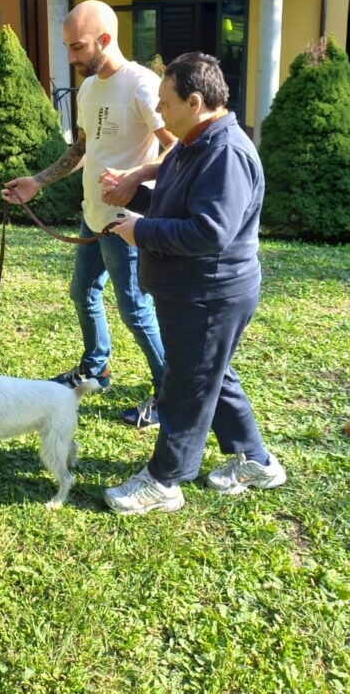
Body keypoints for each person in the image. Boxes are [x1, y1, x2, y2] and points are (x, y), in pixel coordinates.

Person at [101, 52, 286, 514]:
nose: (159, 112)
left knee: (186, 386)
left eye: (166, 103)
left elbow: (209, 232)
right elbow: (180, 201)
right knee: (212, 373)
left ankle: (164, 482)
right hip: (193, 292)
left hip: (211, 293)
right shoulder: (195, 142)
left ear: (196, 101)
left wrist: (138, 230)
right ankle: (257, 462)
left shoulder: (225, 152)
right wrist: (135, 192)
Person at [3, 0, 174, 428]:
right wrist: (38, 181)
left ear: (104, 39)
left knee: (135, 311)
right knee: (83, 294)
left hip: (126, 222)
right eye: (67, 47)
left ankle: (171, 396)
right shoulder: (90, 88)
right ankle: (96, 368)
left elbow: (177, 148)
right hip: (93, 216)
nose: (71, 57)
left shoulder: (141, 85)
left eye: (77, 47)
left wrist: (136, 178)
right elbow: (83, 147)